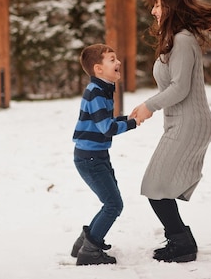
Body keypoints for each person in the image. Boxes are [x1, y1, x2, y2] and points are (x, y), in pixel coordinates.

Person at [130, 0, 211, 263]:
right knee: (158, 186)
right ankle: (180, 241)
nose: (153, 11)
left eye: (159, 5)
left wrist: (147, 107)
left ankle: (182, 244)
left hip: (191, 122)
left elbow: (180, 88)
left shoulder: (183, 40)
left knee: (156, 186)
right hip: (181, 122)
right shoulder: (176, 39)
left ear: (172, 7)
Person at [70, 44, 139, 266]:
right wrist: (131, 123)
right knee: (113, 204)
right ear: (98, 69)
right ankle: (90, 252)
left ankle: (83, 243)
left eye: (116, 58)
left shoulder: (102, 88)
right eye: (112, 59)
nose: (118, 62)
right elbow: (106, 128)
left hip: (96, 156)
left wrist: (128, 118)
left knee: (110, 202)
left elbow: (106, 122)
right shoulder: (96, 92)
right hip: (89, 159)